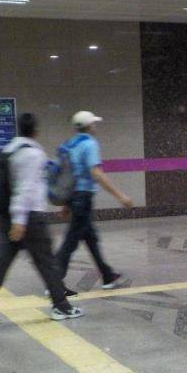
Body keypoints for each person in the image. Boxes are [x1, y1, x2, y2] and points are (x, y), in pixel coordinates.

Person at [0, 112, 82, 327]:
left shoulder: (10, 148)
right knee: (46, 261)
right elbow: (25, 188)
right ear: (36, 130)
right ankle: (61, 306)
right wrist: (20, 221)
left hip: (6, 217)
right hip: (28, 218)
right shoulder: (32, 154)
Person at [55, 111, 134, 292]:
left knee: (91, 239)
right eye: (94, 123)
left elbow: (68, 175)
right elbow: (96, 173)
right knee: (70, 241)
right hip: (83, 198)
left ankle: (107, 276)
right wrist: (120, 196)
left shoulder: (70, 144)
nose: (95, 126)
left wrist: (67, 203)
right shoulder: (89, 144)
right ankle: (54, 283)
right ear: (89, 126)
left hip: (75, 196)